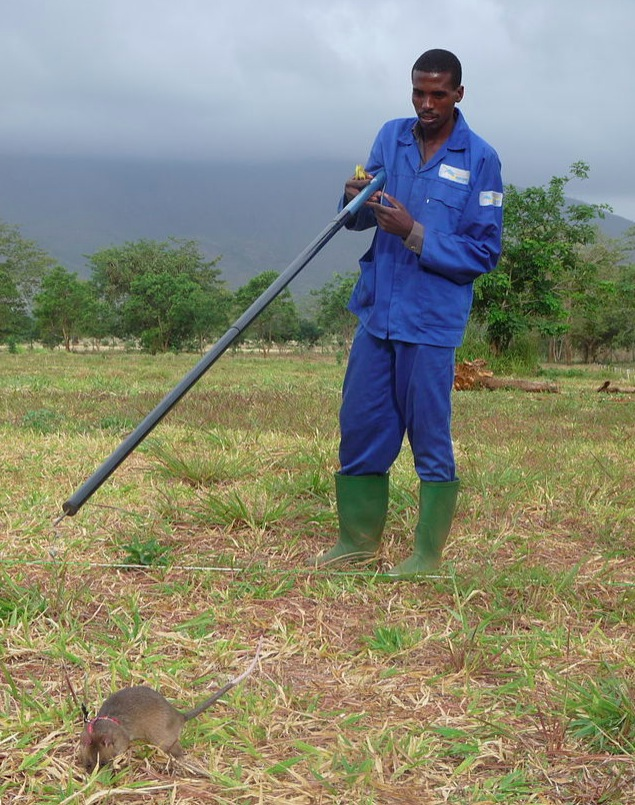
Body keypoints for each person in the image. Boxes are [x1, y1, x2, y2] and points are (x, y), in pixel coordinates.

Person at [310, 49, 503, 577]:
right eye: (419, 91)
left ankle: (426, 557)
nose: (426, 103)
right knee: (361, 426)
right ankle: (356, 542)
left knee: (429, 436)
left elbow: (484, 253)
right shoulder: (390, 137)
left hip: (431, 323)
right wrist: (352, 201)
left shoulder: (480, 159)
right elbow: (357, 218)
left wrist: (414, 233)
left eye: (438, 93)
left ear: (459, 94)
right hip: (378, 314)